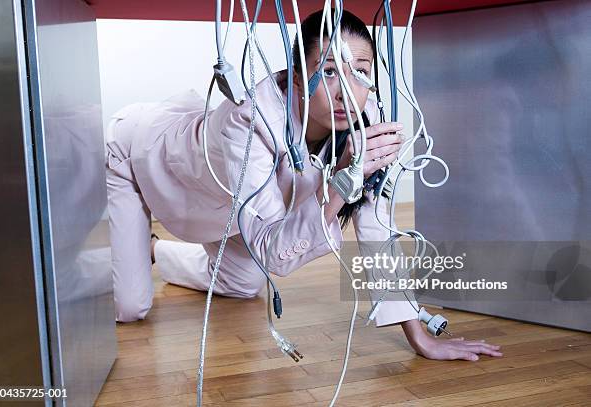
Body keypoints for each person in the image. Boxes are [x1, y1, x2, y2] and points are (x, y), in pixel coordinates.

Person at [105, 9, 502, 362]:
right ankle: (110, 253)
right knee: (131, 306)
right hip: (143, 159)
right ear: (297, 79)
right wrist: (340, 186)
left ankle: (154, 249)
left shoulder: (364, 120)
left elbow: (376, 226)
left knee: (244, 284)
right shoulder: (250, 122)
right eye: (329, 71)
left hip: (230, 207)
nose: (348, 89)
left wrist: (418, 336)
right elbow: (275, 254)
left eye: (361, 71)